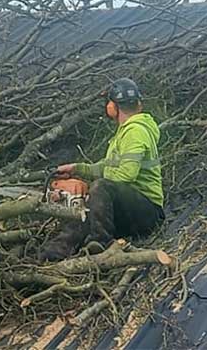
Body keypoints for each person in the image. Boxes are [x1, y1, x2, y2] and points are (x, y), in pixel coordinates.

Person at [40, 78, 165, 260]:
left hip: (148, 212)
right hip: (130, 209)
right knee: (83, 215)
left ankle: (101, 243)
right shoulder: (125, 132)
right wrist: (77, 169)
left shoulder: (135, 131)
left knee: (101, 187)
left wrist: (92, 186)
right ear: (138, 103)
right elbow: (107, 167)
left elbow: (125, 176)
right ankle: (51, 256)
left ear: (113, 107)